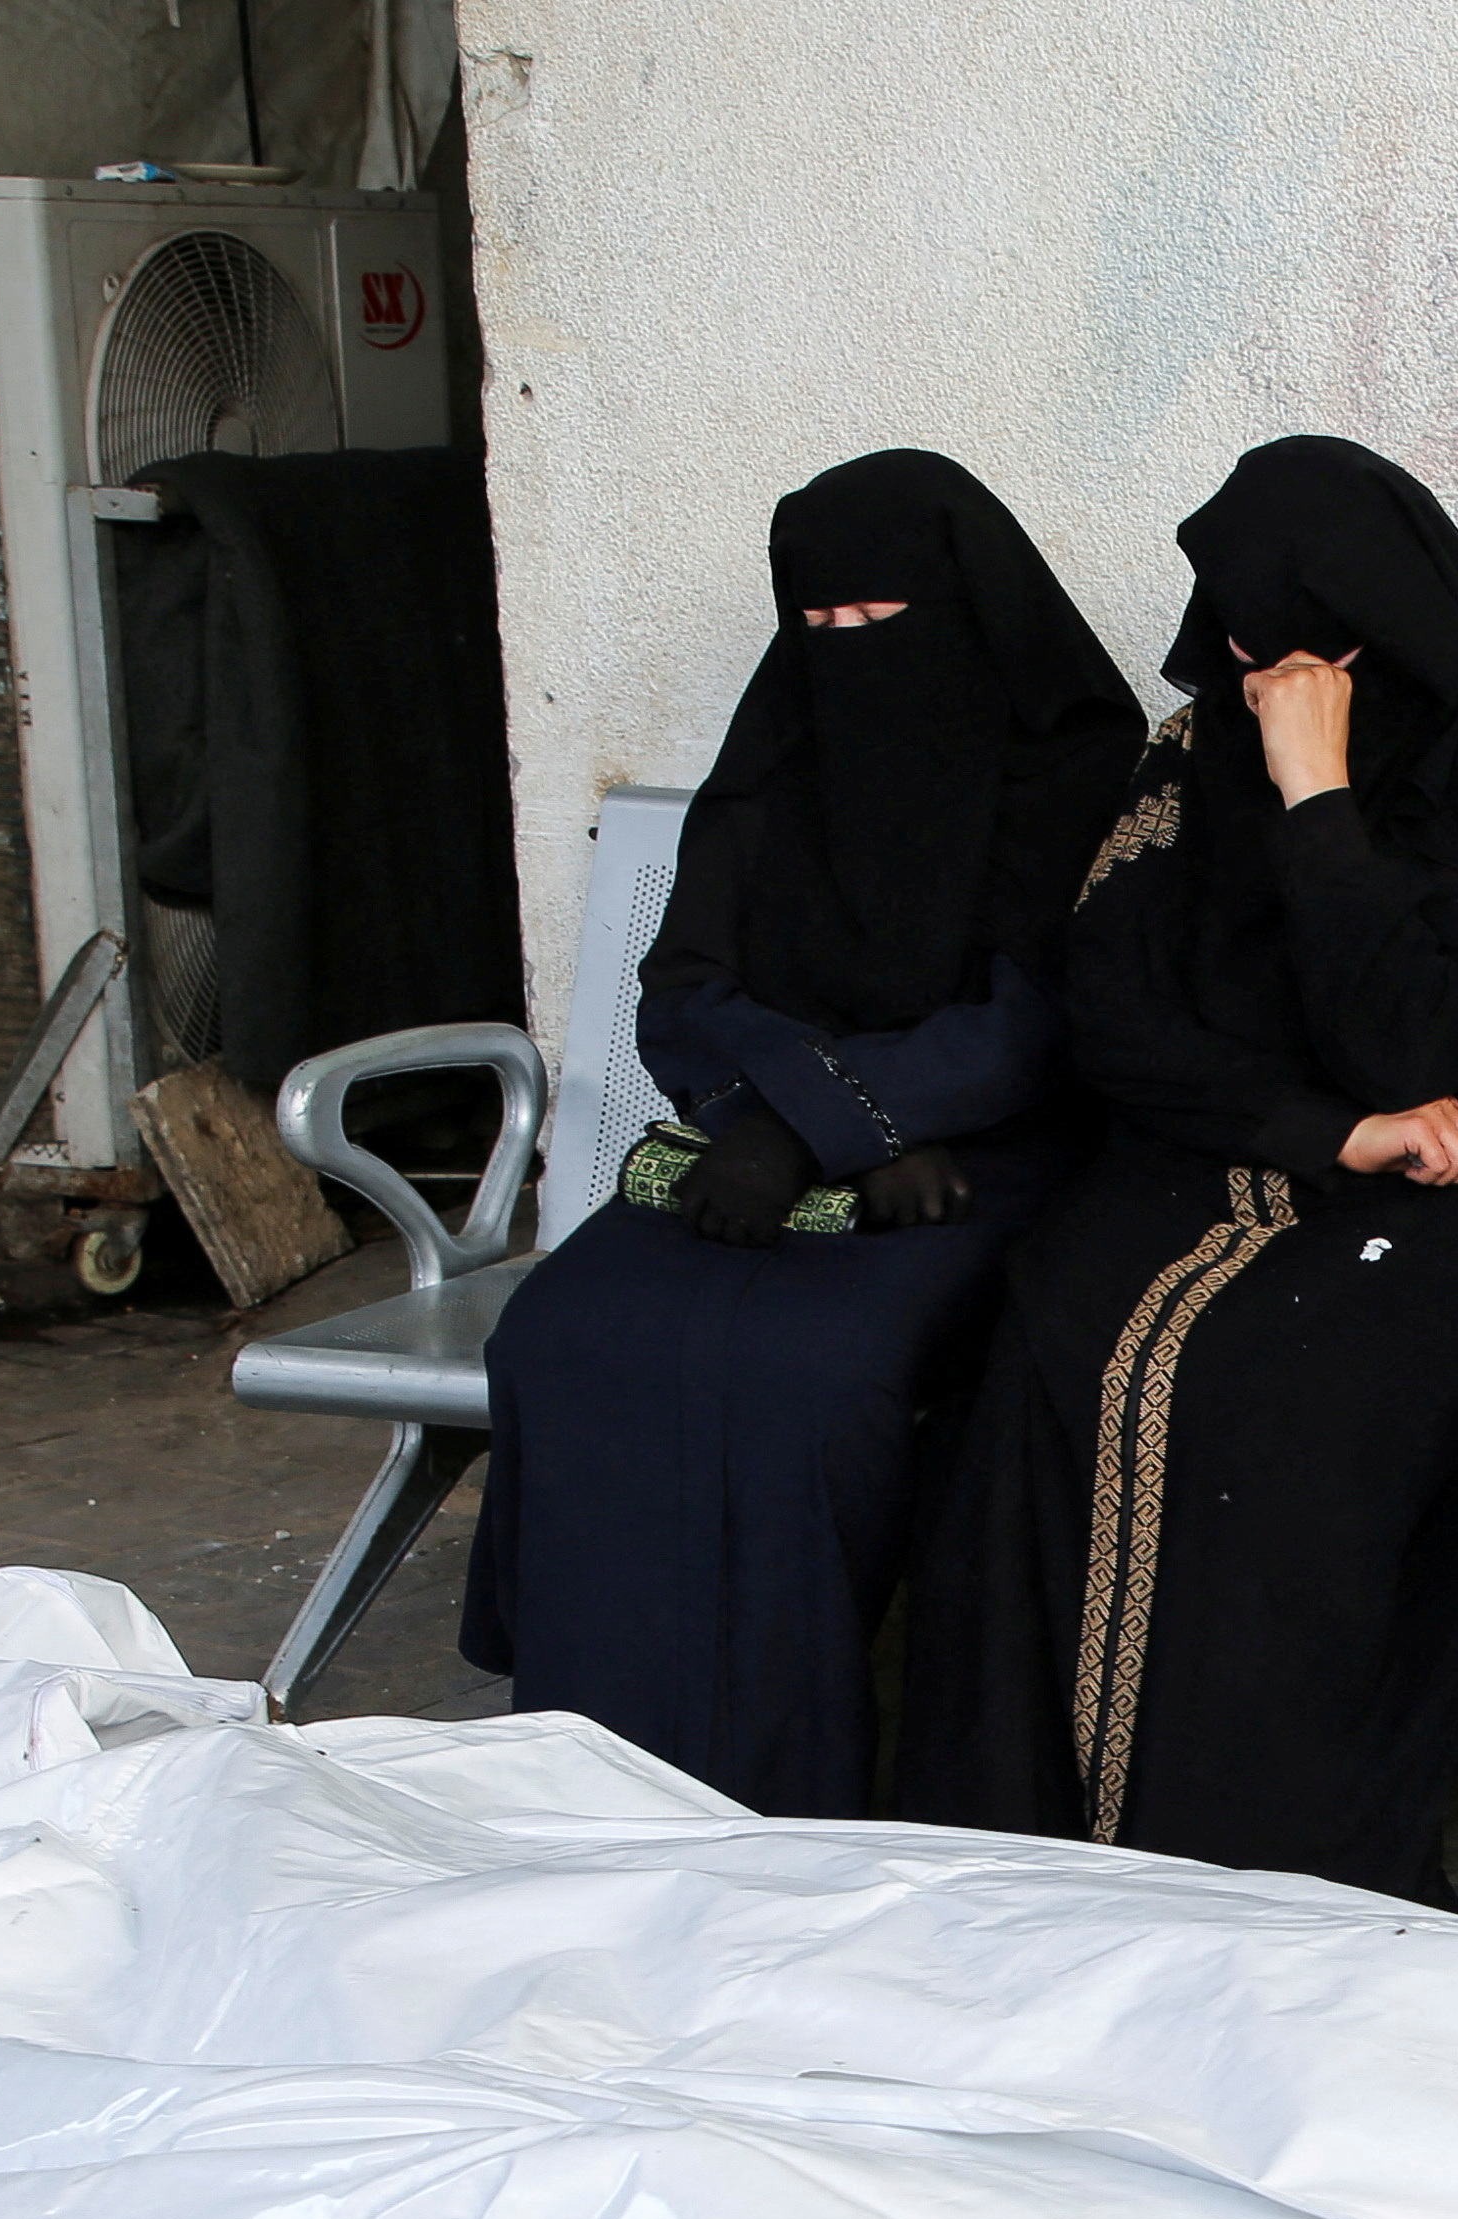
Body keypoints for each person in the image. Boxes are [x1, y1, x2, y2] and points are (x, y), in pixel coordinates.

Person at [899, 436, 1458, 1898]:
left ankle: (1271, 1866)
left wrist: (1318, 796)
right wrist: (1319, 1132)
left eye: (1302, 644)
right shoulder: (1196, 753)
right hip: (1246, 1137)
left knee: (1284, 1387)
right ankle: (1019, 1840)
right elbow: (1112, 1010)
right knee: (1055, 1333)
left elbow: (1416, 1033)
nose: (1261, 671)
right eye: (1240, 635)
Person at [458, 451, 1137, 1812]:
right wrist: (787, 1120)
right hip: (763, 1144)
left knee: (812, 1379)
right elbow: (684, 986)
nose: (845, 658)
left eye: (880, 628)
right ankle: (579, 1754)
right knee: (567, 1331)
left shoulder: (1070, 763)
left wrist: (850, 1120)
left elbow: (1033, 1020)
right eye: (816, 628)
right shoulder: (779, 753)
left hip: (972, 1164)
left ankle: (779, 1771)